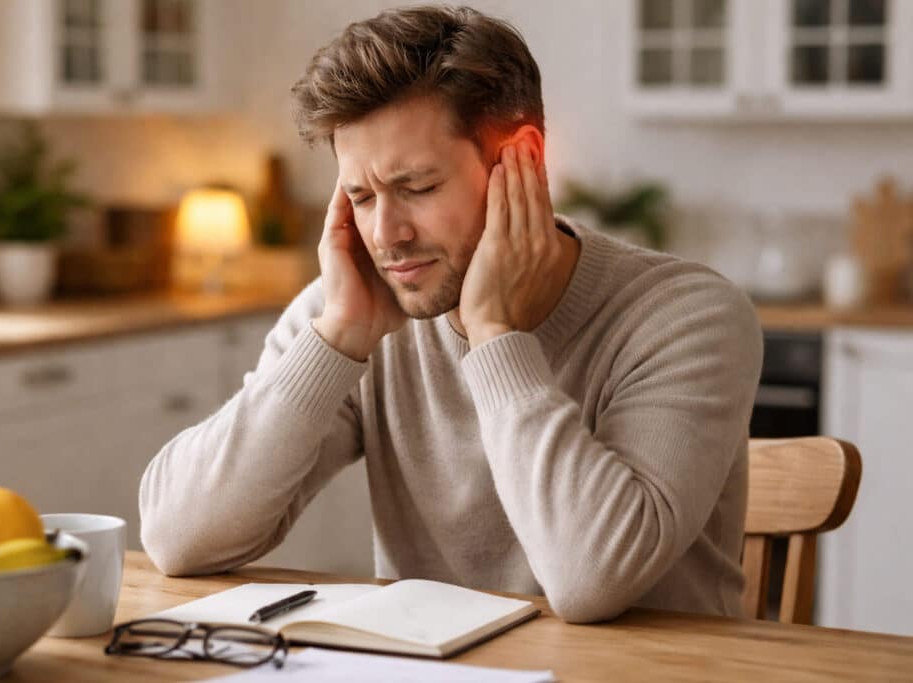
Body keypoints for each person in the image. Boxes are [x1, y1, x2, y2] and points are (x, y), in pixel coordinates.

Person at [139, 5, 762, 623]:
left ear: (522, 160)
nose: (386, 235)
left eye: (417, 188)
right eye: (361, 197)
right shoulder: (355, 310)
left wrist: (494, 334)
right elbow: (177, 539)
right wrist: (337, 338)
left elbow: (591, 582)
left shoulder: (686, 317)